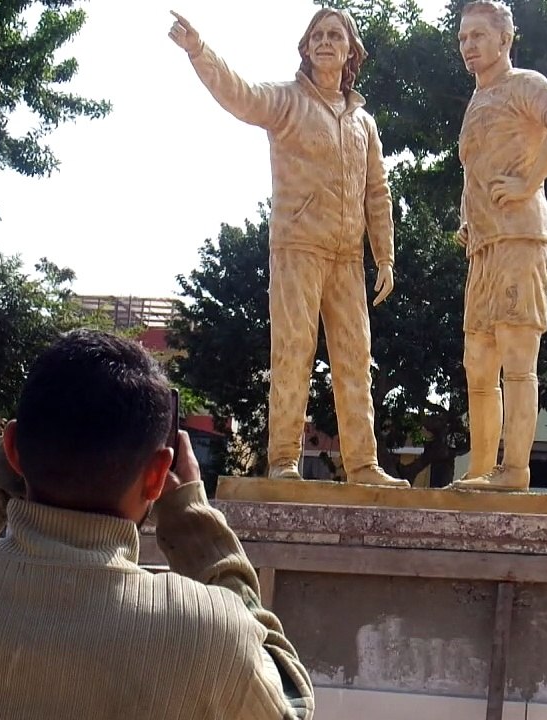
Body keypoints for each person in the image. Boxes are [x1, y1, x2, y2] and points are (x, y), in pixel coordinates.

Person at [0, 329, 314, 720]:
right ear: (156, 474)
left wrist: (3, 463)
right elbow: (290, 700)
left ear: (12, 447)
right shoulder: (213, 634)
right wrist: (193, 520)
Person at [168, 8, 406, 487]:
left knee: (355, 358)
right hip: (298, 246)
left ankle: (363, 464)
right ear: (305, 47)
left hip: (346, 258)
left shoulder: (364, 122)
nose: (324, 41)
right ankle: (282, 460)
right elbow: (239, 94)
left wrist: (384, 255)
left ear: (350, 50)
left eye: (334, 35)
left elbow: (376, 190)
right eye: (315, 35)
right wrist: (200, 51)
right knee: (293, 351)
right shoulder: (287, 101)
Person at [450, 1, 547, 492]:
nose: (469, 46)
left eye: (479, 35)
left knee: (515, 360)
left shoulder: (524, 83)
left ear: (504, 39)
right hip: (483, 247)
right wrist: (467, 219)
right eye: (463, 38)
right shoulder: (476, 100)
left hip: (520, 238)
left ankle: (514, 471)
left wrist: (529, 182)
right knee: (478, 362)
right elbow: (478, 169)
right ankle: (482, 468)